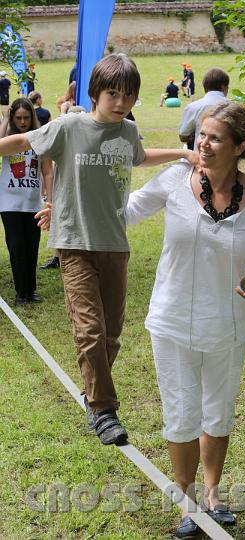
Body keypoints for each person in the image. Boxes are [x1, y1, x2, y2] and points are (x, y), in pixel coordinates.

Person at [3, 53, 198, 447]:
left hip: (115, 244)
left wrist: (182, 153)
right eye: (113, 94)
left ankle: (92, 393)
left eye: (128, 95)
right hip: (74, 244)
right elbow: (23, 141)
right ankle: (105, 409)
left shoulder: (127, 132)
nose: (121, 102)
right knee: (89, 330)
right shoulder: (70, 126)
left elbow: (140, 158)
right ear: (96, 92)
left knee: (111, 336)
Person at [126, 101, 245, 538]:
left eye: (215, 137)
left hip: (228, 323)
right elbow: (127, 211)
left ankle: (212, 494)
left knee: (219, 412)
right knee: (180, 414)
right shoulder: (176, 180)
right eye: (201, 135)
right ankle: (189, 503)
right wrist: (72, 210)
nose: (203, 143)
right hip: (171, 320)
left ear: (241, 146)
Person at [0, 98, 53, 305]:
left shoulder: (40, 139)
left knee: (32, 246)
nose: (22, 122)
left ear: (32, 117)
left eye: (26, 117)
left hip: (32, 202)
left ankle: (31, 290)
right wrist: (5, 118)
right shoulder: (8, 138)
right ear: (13, 118)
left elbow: (47, 171)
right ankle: (21, 293)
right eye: (18, 117)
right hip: (8, 202)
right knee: (16, 246)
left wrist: (49, 199)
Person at [179, 67, 229, 150]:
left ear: (204, 86)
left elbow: (183, 136)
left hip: (200, 156)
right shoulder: (234, 106)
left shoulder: (193, 107)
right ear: (224, 87)